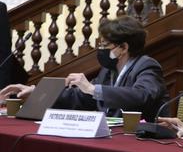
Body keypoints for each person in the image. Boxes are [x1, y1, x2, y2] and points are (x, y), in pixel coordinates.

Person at [0, 16, 168, 122]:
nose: (100, 50)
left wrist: (92, 88)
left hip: (137, 139)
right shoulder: (109, 71)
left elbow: (143, 96)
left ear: (123, 47)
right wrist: (37, 92)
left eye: (105, 45)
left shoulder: (146, 66)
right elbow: (80, 97)